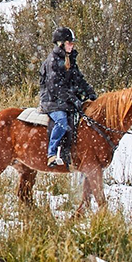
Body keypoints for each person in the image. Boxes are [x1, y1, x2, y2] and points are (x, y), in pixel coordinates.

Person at [40, 26, 97, 167]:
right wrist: (73, 99)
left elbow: (79, 79)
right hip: (52, 102)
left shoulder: (70, 60)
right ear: (61, 44)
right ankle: (52, 153)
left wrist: (89, 92)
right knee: (61, 121)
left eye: (72, 43)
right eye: (69, 43)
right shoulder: (52, 61)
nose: (72, 45)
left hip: (65, 101)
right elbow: (55, 87)